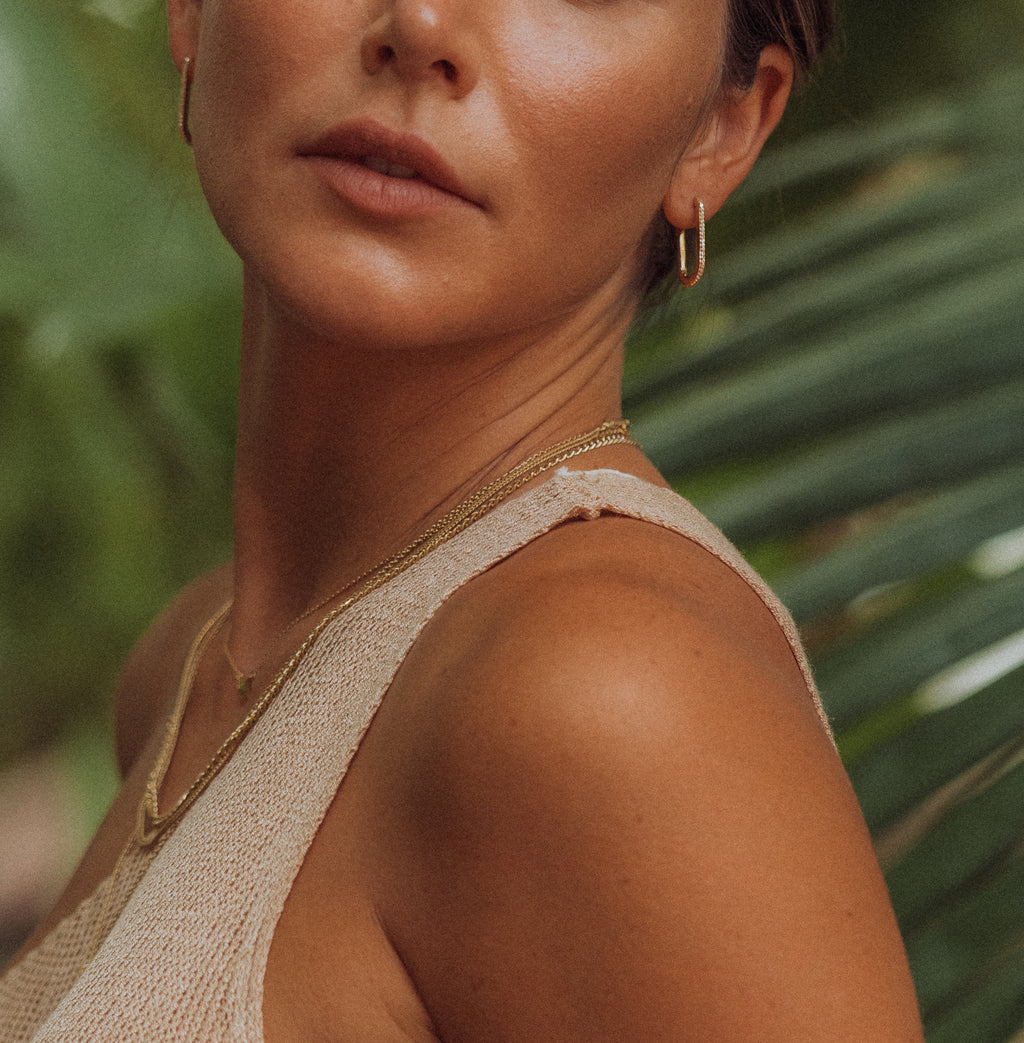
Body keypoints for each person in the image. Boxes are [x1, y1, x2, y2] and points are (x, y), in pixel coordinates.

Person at [0, 0, 926, 1039]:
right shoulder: (191, 667)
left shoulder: (607, 694)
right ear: (190, 12)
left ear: (722, 129)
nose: (424, 23)